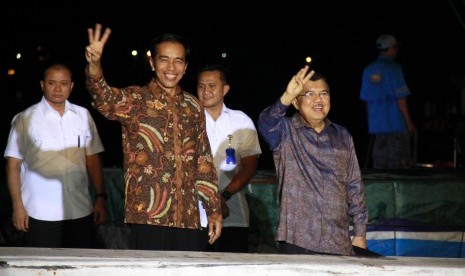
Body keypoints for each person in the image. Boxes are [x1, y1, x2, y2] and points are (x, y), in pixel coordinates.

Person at [84, 23, 222, 251]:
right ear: (152, 62)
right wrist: (95, 66)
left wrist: (213, 208)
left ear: (186, 67)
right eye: (164, 59)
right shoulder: (136, 99)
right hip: (147, 215)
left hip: (187, 215)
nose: (171, 67)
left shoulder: (193, 106)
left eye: (178, 60)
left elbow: (203, 161)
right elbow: (103, 98)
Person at [258, 66, 368, 256]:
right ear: (296, 102)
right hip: (297, 240)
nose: (318, 100)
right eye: (309, 94)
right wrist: (285, 96)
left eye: (324, 94)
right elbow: (265, 123)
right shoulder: (284, 132)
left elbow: (354, 185)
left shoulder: (342, 136)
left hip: (337, 241)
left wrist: (360, 232)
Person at [4, 63, 106, 248]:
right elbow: (13, 166)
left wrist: (100, 197)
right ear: (42, 85)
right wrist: (17, 206)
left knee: (79, 267)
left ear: (72, 86)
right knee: (42, 269)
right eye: (52, 83)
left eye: (64, 83)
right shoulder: (25, 119)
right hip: (39, 212)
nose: (58, 88)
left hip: (80, 209)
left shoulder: (83, 116)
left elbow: (92, 158)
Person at [197, 64, 262, 253]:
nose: (206, 91)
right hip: (194, 215)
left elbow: (250, 165)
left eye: (211, 85)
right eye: (201, 86)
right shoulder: (189, 120)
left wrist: (224, 195)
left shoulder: (241, 121)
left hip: (233, 212)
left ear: (225, 89)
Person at [360, 34, 416, 170]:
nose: (396, 51)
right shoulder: (394, 68)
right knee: (398, 165)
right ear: (391, 48)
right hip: (395, 125)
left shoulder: (368, 70)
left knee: (380, 165)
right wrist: (409, 123)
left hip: (377, 126)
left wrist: (371, 120)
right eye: (395, 48)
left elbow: (366, 99)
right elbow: (401, 98)